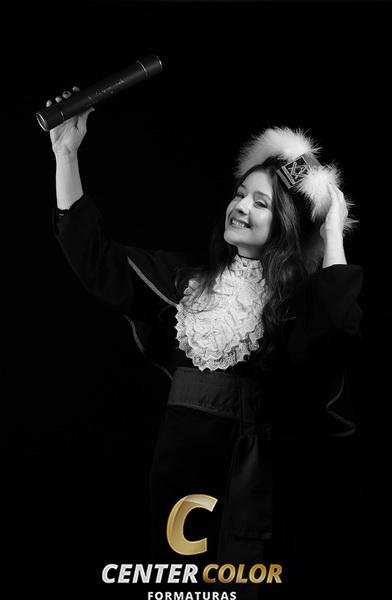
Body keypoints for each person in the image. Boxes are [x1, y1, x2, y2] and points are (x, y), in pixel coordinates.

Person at [47, 88, 363, 598]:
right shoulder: (185, 284)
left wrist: (332, 233)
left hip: (246, 472)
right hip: (177, 468)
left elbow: (335, 331)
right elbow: (99, 260)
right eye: (240, 194)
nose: (241, 206)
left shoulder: (293, 307)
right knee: (178, 585)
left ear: (283, 225)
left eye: (260, 202)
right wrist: (67, 154)